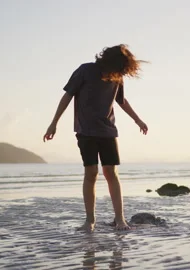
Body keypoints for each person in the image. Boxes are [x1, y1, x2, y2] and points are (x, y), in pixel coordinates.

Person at [43, 44, 148, 232]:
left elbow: (121, 101)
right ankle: (89, 221)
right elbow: (67, 96)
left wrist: (137, 120)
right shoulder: (85, 70)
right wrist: (54, 123)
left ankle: (120, 220)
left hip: (108, 131)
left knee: (111, 173)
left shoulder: (118, 77)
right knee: (91, 173)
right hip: (86, 131)